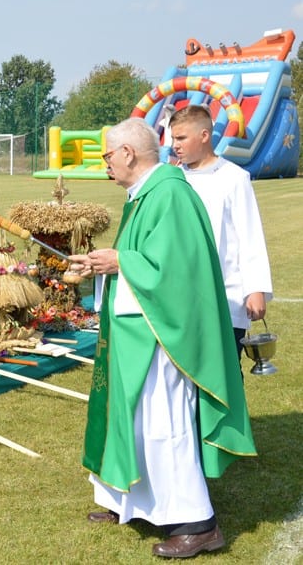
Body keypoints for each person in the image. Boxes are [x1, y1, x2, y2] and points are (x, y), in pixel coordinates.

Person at [68, 118, 256, 559]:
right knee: (132, 417)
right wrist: (103, 263)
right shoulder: (145, 194)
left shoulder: (170, 193)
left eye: (108, 155)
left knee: (163, 424)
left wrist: (121, 262)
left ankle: (197, 524)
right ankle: (129, 500)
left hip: (163, 335)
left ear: (129, 153)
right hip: (138, 327)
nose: (105, 164)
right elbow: (142, 256)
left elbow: (177, 270)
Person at [169, 104, 272, 361]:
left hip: (226, 294)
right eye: (173, 138)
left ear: (204, 135)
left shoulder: (234, 178)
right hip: (180, 295)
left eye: (181, 138)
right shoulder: (172, 179)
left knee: (225, 369)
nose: (175, 145)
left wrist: (255, 289)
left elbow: (250, 235)